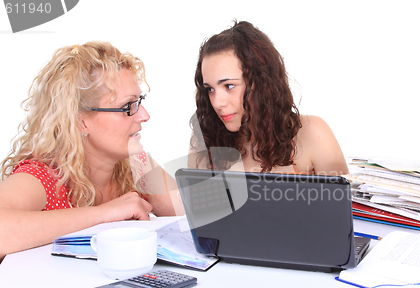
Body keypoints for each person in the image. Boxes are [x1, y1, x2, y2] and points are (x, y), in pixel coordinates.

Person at [0, 41, 181, 260]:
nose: (144, 115)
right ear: (81, 122)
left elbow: (200, 217)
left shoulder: (136, 165)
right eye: (128, 106)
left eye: (139, 101)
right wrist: (103, 215)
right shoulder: (45, 176)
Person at [189, 21, 349, 175]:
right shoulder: (206, 139)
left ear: (261, 82)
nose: (217, 103)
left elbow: (342, 201)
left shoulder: (313, 133)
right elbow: (194, 202)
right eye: (210, 89)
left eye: (229, 86)